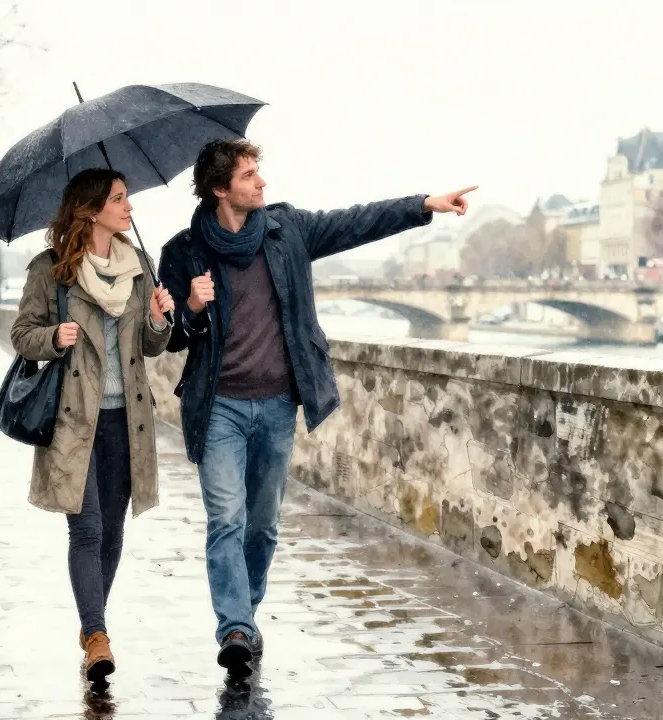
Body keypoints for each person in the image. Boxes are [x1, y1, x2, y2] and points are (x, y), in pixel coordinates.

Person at [158, 139, 474, 672]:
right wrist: (188, 307)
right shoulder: (183, 252)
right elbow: (169, 338)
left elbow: (356, 223)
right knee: (226, 519)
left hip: (279, 404)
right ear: (220, 189)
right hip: (220, 409)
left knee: (262, 526)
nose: (261, 182)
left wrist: (423, 205)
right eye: (249, 175)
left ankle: (246, 614)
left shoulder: (287, 232)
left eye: (259, 172)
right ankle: (234, 626)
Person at [10, 168, 174, 682]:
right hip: (72, 420)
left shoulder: (140, 267)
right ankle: (98, 635)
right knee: (87, 529)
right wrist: (53, 339)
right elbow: (21, 335)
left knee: (113, 531)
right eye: (120, 199)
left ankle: (90, 629)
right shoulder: (50, 270)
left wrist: (159, 318)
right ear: (91, 208)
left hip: (128, 422)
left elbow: (150, 348)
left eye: (127, 198)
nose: (129, 208)